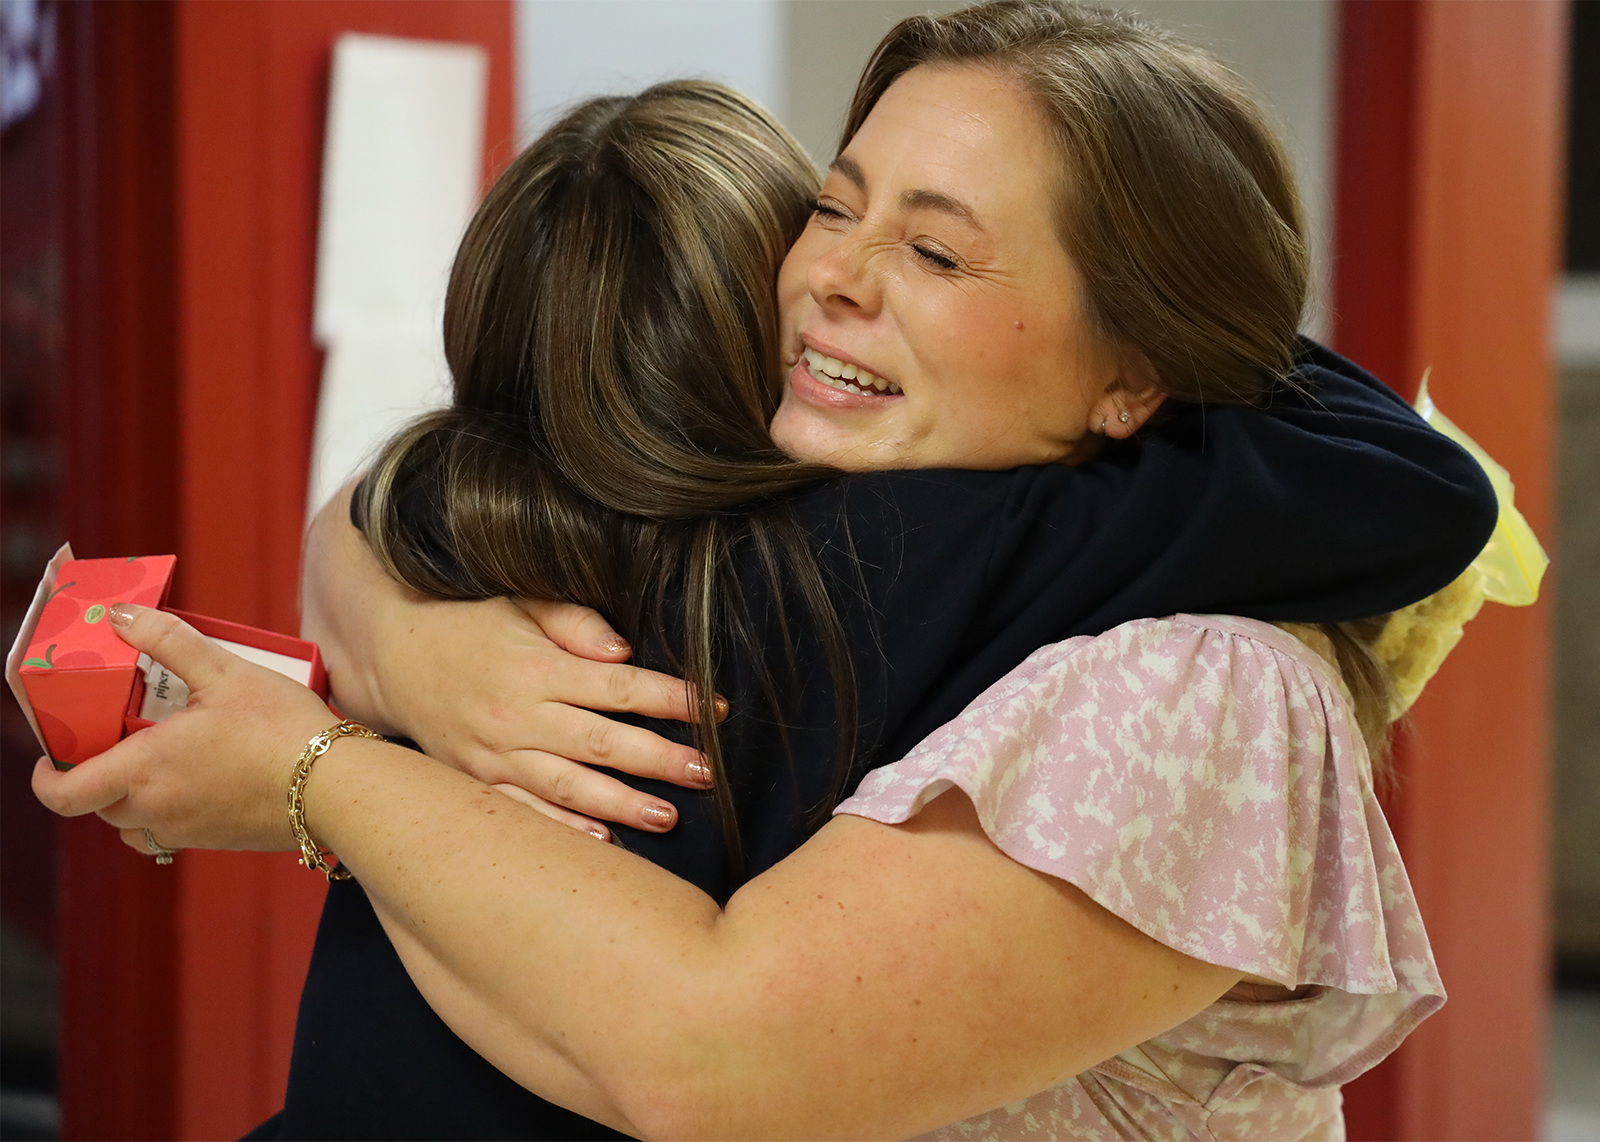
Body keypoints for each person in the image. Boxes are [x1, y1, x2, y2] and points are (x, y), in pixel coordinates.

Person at [36, 3, 1494, 1138]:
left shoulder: (1184, 661)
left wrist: (323, 748)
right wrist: (394, 613)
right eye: (837, 202)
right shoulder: (730, 535)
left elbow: (706, 1052)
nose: (837, 273)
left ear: (1137, 372)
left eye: (937, 248)